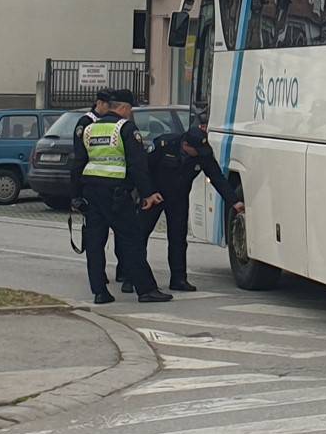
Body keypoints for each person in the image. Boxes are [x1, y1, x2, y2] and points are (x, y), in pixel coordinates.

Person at [70, 88, 170, 304]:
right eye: (130, 109)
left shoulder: (90, 128)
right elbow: (137, 165)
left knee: (95, 243)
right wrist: (148, 194)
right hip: (116, 194)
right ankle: (146, 290)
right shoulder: (125, 128)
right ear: (124, 108)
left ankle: (100, 292)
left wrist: (75, 195)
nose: (130, 113)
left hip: (91, 192)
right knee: (131, 240)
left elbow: (78, 163)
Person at [143, 117, 244, 291]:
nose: (200, 154)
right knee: (140, 235)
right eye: (196, 151)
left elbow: (217, 178)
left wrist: (234, 202)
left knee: (178, 239)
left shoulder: (203, 153)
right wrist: (148, 193)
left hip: (179, 199)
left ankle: (178, 279)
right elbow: (144, 169)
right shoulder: (165, 145)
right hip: (155, 196)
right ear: (186, 146)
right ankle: (133, 276)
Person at [73, 90, 128, 288]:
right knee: (99, 238)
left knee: (118, 237)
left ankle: (122, 273)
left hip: (109, 186)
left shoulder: (117, 123)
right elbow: (79, 158)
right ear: (99, 103)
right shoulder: (86, 123)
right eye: (107, 103)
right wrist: (76, 193)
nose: (109, 107)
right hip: (99, 186)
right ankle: (101, 276)